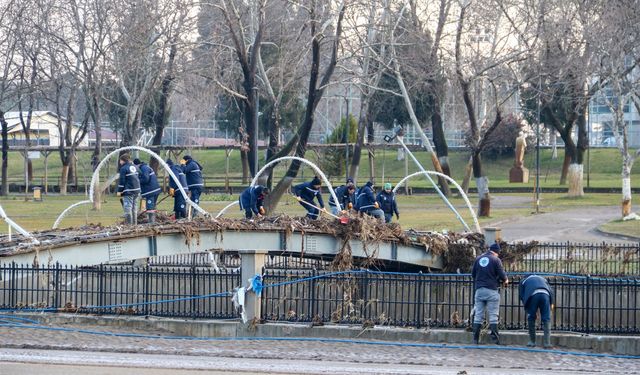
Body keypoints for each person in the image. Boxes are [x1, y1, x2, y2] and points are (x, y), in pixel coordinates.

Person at [471, 242, 508, 345]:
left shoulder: (478, 259)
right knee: (493, 315)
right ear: (497, 252)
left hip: (479, 290)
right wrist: (506, 280)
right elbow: (502, 275)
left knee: (478, 315)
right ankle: (495, 339)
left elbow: (473, 274)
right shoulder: (496, 260)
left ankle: (475, 339)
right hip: (491, 290)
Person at [519, 274, 554, 348]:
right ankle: (547, 343)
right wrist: (551, 303)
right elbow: (551, 291)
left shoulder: (523, 281)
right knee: (546, 319)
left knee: (531, 318)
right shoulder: (542, 278)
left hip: (532, 295)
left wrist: (529, 310)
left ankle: (532, 342)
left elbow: (522, 296)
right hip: (546, 295)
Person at [134, 158, 161, 224]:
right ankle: (153, 221)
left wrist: (137, 181)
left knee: (149, 207)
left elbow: (146, 179)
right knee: (152, 206)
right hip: (154, 190)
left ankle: (151, 223)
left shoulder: (144, 168)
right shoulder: (146, 167)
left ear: (136, 165)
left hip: (151, 191)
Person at [116, 154, 141, 225]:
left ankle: (129, 225)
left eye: (120, 160)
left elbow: (122, 181)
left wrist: (119, 191)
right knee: (134, 208)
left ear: (122, 160)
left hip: (129, 191)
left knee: (128, 208)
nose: (120, 162)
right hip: (137, 190)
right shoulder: (135, 167)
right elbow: (140, 174)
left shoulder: (123, 168)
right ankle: (135, 224)